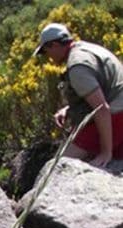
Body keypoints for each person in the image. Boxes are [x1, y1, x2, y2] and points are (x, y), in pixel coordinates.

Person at [33, 22, 123, 167]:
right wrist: (69, 109)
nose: (46, 56)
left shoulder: (77, 67)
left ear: (54, 45)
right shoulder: (87, 48)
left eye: (45, 51)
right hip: (117, 108)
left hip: (116, 116)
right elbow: (102, 88)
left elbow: (102, 109)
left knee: (59, 165)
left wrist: (106, 152)